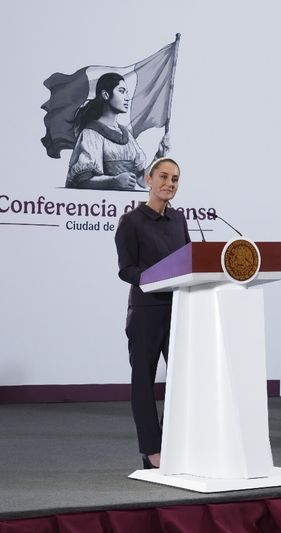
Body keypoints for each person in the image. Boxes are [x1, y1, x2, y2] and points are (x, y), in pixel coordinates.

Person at [114, 157, 189, 469]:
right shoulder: (131, 222)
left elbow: (190, 262)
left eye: (174, 179)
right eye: (163, 177)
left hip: (180, 311)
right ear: (148, 179)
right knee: (143, 381)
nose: (169, 184)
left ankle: (180, 442)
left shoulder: (180, 221)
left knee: (183, 380)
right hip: (146, 312)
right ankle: (151, 449)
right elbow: (126, 270)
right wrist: (154, 277)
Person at [67, 72, 168, 190]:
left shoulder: (126, 135)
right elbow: (82, 181)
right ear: (105, 94)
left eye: (126, 92)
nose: (127, 97)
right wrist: (114, 181)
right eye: (121, 91)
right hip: (101, 205)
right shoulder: (91, 134)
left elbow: (142, 181)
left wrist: (159, 156)